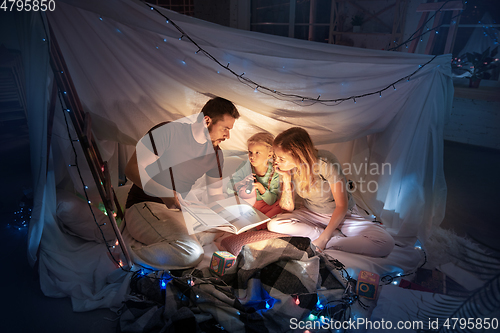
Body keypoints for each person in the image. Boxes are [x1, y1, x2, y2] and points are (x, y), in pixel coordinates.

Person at [124, 97, 240, 269]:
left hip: (181, 209)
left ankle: (181, 239)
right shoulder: (169, 131)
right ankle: (123, 257)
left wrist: (234, 213)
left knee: (226, 231)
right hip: (146, 203)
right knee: (192, 253)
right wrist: (165, 194)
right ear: (207, 121)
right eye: (225, 128)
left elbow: (216, 194)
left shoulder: (216, 154)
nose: (228, 135)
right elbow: (132, 169)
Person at [267, 127, 394, 257]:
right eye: (276, 157)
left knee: (385, 243)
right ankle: (327, 235)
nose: (276, 162)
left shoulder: (325, 163)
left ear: (299, 155)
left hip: (341, 215)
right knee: (273, 224)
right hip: (311, 214)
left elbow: (341, 205)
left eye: (281, 159)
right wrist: (286, 179)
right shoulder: (288, 169)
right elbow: (287, 209)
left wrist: (323, 239)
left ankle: (330, 239)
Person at [227, 132, 282, 222]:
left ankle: (257, 224)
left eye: (257, 153)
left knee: (279, 208)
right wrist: (242, 182)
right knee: (231, 205)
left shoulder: (274, 172)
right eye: (250, 152)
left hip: (265, 207)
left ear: (269, 155)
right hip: (246, 204)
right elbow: (229, 188)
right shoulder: (245, 167)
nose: (252, 156)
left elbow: (272, 200)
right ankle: (251, 222)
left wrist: (262, 189)